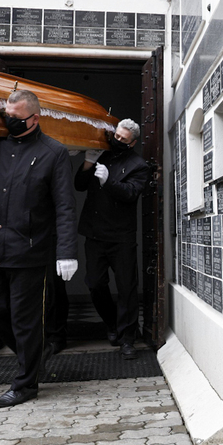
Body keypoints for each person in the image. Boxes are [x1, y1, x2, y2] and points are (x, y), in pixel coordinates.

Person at [0, 89, 79, 408]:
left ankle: (26, 384)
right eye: (6, 116)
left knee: (25, 320)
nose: (9, 121)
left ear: (34, 117)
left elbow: (64, 206)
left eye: (16, 118)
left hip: (30, 251)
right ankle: (35, 354)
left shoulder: (53, 152)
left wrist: (66, 251)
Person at [74, 119, 150, 360]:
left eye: (122, 140)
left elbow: (130, 194)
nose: (117, 141)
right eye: (115, 136)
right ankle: (113, 324)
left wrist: (109, 182)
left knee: (127, 288)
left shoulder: (138, 165)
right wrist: (87, 163)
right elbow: (79, 185)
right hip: (95, 233)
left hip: (121, 236)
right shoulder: (102, 153)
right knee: (94, 284)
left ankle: (128, 339)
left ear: (132, 142)